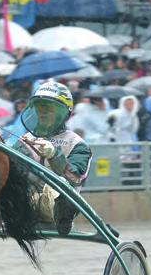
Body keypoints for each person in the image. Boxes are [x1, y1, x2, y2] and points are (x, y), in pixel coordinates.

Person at [14, 81, 92, 236]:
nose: (43, 112)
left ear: (64, 114)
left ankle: (63, 217)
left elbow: (76, 178)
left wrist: (54, 155)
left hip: (60, 205)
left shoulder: (77, 144)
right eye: (40, 107)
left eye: (49, 108)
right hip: (26, 204)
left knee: (60, 184)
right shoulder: (24, 140)